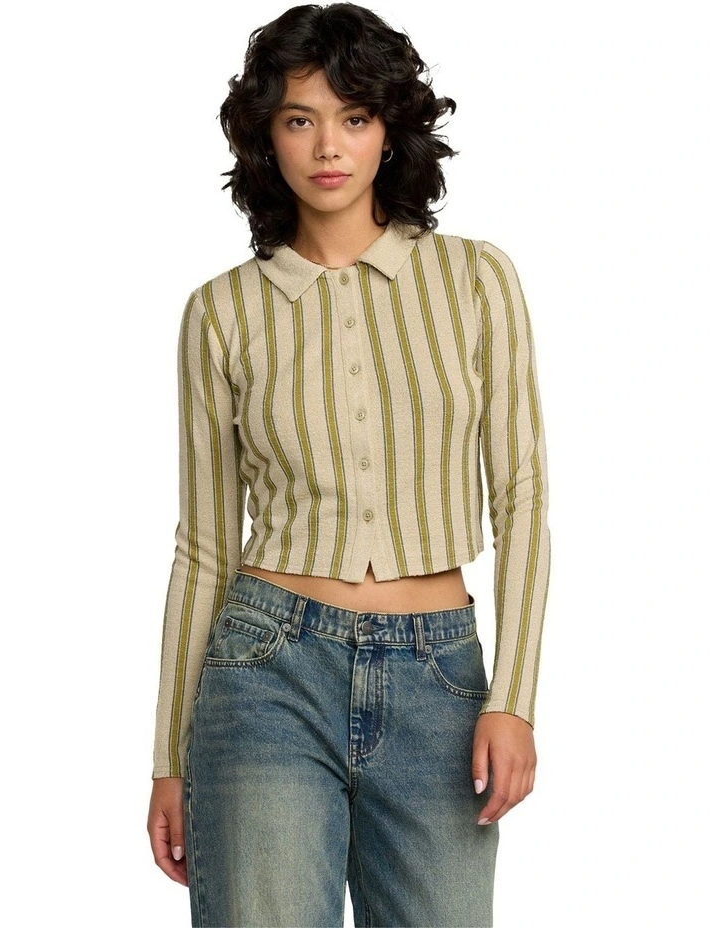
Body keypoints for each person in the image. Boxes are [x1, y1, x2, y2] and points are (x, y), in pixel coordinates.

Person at [147, 3, 551, 926]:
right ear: (267, 139)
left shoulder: (476, 280)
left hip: (440, 679)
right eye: (300, 119)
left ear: (390, 131)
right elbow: (203, 547)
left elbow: (523, 499)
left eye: (355, 117)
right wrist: (169, 758)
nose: (328, 146)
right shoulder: (222, 313)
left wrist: (515, 697)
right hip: (266, 670)